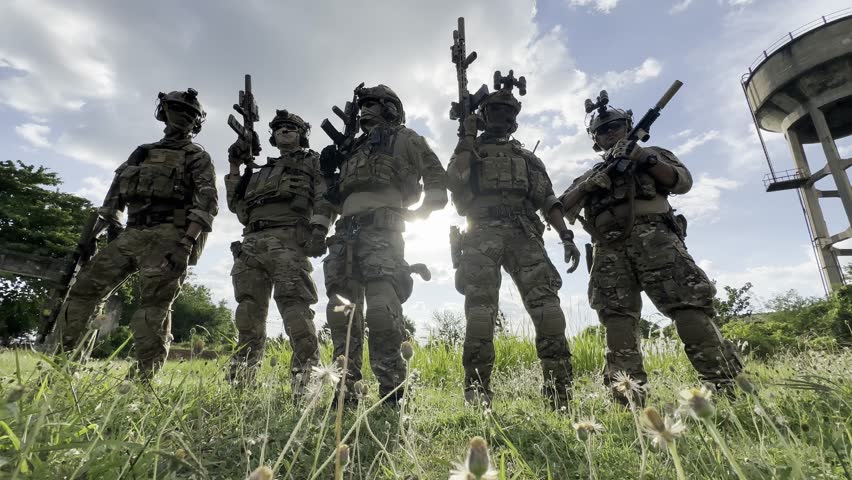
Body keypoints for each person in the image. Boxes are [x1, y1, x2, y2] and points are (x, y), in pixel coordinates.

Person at [559, 96, 743, 405]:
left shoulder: (653, 153)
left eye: (616, 127)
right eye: (603, 132)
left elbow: (682, 182)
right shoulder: (591, 172)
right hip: (608, 249)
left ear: (628, 127)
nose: (611, 134)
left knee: (687, 306)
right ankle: (628, 396)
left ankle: (723, 385)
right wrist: (589, 185)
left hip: (655, 240)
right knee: (616, 318)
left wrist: (645, 159)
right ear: (595, 142)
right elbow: (561, 207)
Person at [54, 88, 218, 380]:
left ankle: (143, 379)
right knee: (82, 291)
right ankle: (66, 368)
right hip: (132, 231)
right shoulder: (142, 152)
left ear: (197, 123)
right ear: (162, 112)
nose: (181, 117)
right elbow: (112, 202)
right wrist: (92, 237)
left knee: (153, 306)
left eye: (190, 114)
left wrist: (185, 245)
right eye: (175, 109)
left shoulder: (197, 157)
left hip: (170, 235)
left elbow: (206, 207)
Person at [446, 73, 580, 409]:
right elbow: (455, 179)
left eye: (509, 113)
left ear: (515, 121)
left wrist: (566, 236)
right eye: (496, 111)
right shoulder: (469, 149)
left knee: (549, 311)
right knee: (479, 314)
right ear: (485, 115)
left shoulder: (527, 159)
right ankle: (477, 397)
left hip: (524, 233)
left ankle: (559, 395)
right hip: (481, 233)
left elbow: (548, 200)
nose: (503, 118)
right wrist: (467, 135)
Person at [320, 84, 447, 405]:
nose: (365, 110)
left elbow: (434, 172)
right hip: (344, 237)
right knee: (340, 313)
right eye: (363, 105)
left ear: (391, 108)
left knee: (380, 310)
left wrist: (426, 209)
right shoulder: (351, 149)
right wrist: (316, 227)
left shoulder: (404, 138)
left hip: (383, 234)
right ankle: (344, 388)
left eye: (373, 104)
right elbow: (331, 197)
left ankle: (392, 390)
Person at [225, 109, 329, 398]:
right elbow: (236, 207)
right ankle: (240, 386)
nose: (284, 131)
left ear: (302, 135)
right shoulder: (257, 170)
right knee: (247, 316)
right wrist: (235, 166)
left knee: (296, 312)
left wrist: (319, 230)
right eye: (280, 128)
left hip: (288, 240)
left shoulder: (312, 162)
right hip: (251, 243)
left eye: (291, 128)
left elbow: (324, 196)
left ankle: (304, 384)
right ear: (271, 136)